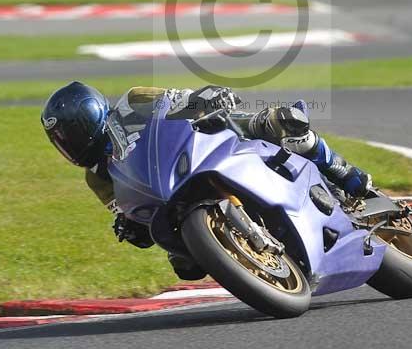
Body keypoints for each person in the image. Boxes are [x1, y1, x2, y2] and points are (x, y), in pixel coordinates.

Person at [41, 82, 372, 280]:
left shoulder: (131, 103)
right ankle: (249, 259)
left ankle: (344, 173)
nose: (67, 146)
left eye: (69, 136)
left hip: (202, 144)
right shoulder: (95, 176)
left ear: (90, 117)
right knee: (185, 267)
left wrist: (205, 100)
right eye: (61, 142)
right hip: (171, 198)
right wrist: (127, 225)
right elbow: (126, 208)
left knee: (278, 124)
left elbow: (175, 98)